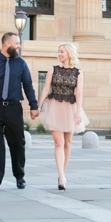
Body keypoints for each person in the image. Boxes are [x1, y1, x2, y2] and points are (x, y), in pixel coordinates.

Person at [0, 33, 39, 192]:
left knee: (18, 143)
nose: (19, 46)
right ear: (7, 45)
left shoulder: (21, 64)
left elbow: (28, 85)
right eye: (17, 43)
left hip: (14, 108)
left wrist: (33, 105)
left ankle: (20, 176)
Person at [37, 42, 89, 190]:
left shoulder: (78, 73)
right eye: (58, 52)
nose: (59, 54)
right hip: (55, 106)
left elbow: (79, 93)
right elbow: (46, 89)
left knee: (68, 143)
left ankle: (62, 173)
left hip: (70, 108)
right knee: (58, 143)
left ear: (69, 54)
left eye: (62, 52)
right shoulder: (52, 70)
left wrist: (79, 110)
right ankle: (61, 176)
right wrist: (39, 106)